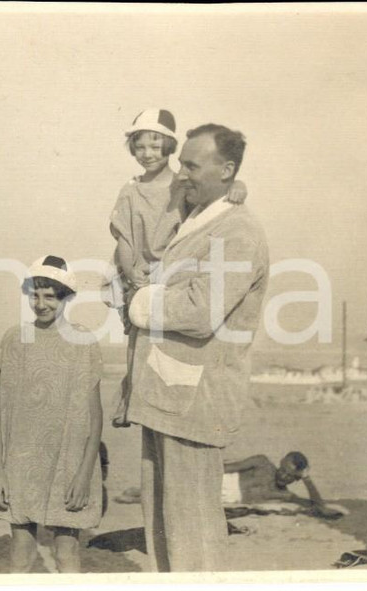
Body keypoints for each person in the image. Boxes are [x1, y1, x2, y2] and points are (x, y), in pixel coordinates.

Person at [124, 123, 269, 572]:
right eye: (181, 163)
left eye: (192, 165)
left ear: (226, 170)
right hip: (165, 395)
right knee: (163, 528)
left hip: (195, 402)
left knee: (193, 533)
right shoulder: (197, 218)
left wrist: (139, 302)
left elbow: (201, 310)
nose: (181, 173)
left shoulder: (238, 232)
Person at [109, 109, 246, 428]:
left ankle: (163, 398)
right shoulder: (129, 190)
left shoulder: (181, 183)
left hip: (172, 268)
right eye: (140, 147)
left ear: (170, 147)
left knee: (168, 338)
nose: (147, 154)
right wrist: (131, 273)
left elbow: (210, 201)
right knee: (137, 334)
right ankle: (130, 398)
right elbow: (124, 237)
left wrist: (238, 184)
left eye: (155, 146)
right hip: (137, 268)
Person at [0, 255, 104, 573]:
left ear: (66, 297)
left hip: (68, 464)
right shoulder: (15, 339)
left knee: (66, 553)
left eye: (50, 296)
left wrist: (84, 475)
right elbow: (0, 409)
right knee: (21, 553)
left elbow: (95, 418)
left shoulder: (83, 342)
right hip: (21, 463)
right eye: (35, 295)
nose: (40, 304)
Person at [220, 452, 343, 518]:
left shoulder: (283, 494)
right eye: (283, 470)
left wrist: (307, 479)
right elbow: (228, 467)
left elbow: (317, 506)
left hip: (221, 500)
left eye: (290, 476)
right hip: (219, 480)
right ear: (281, 463)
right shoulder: (262, 463)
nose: (283, 476)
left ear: (297, 478)